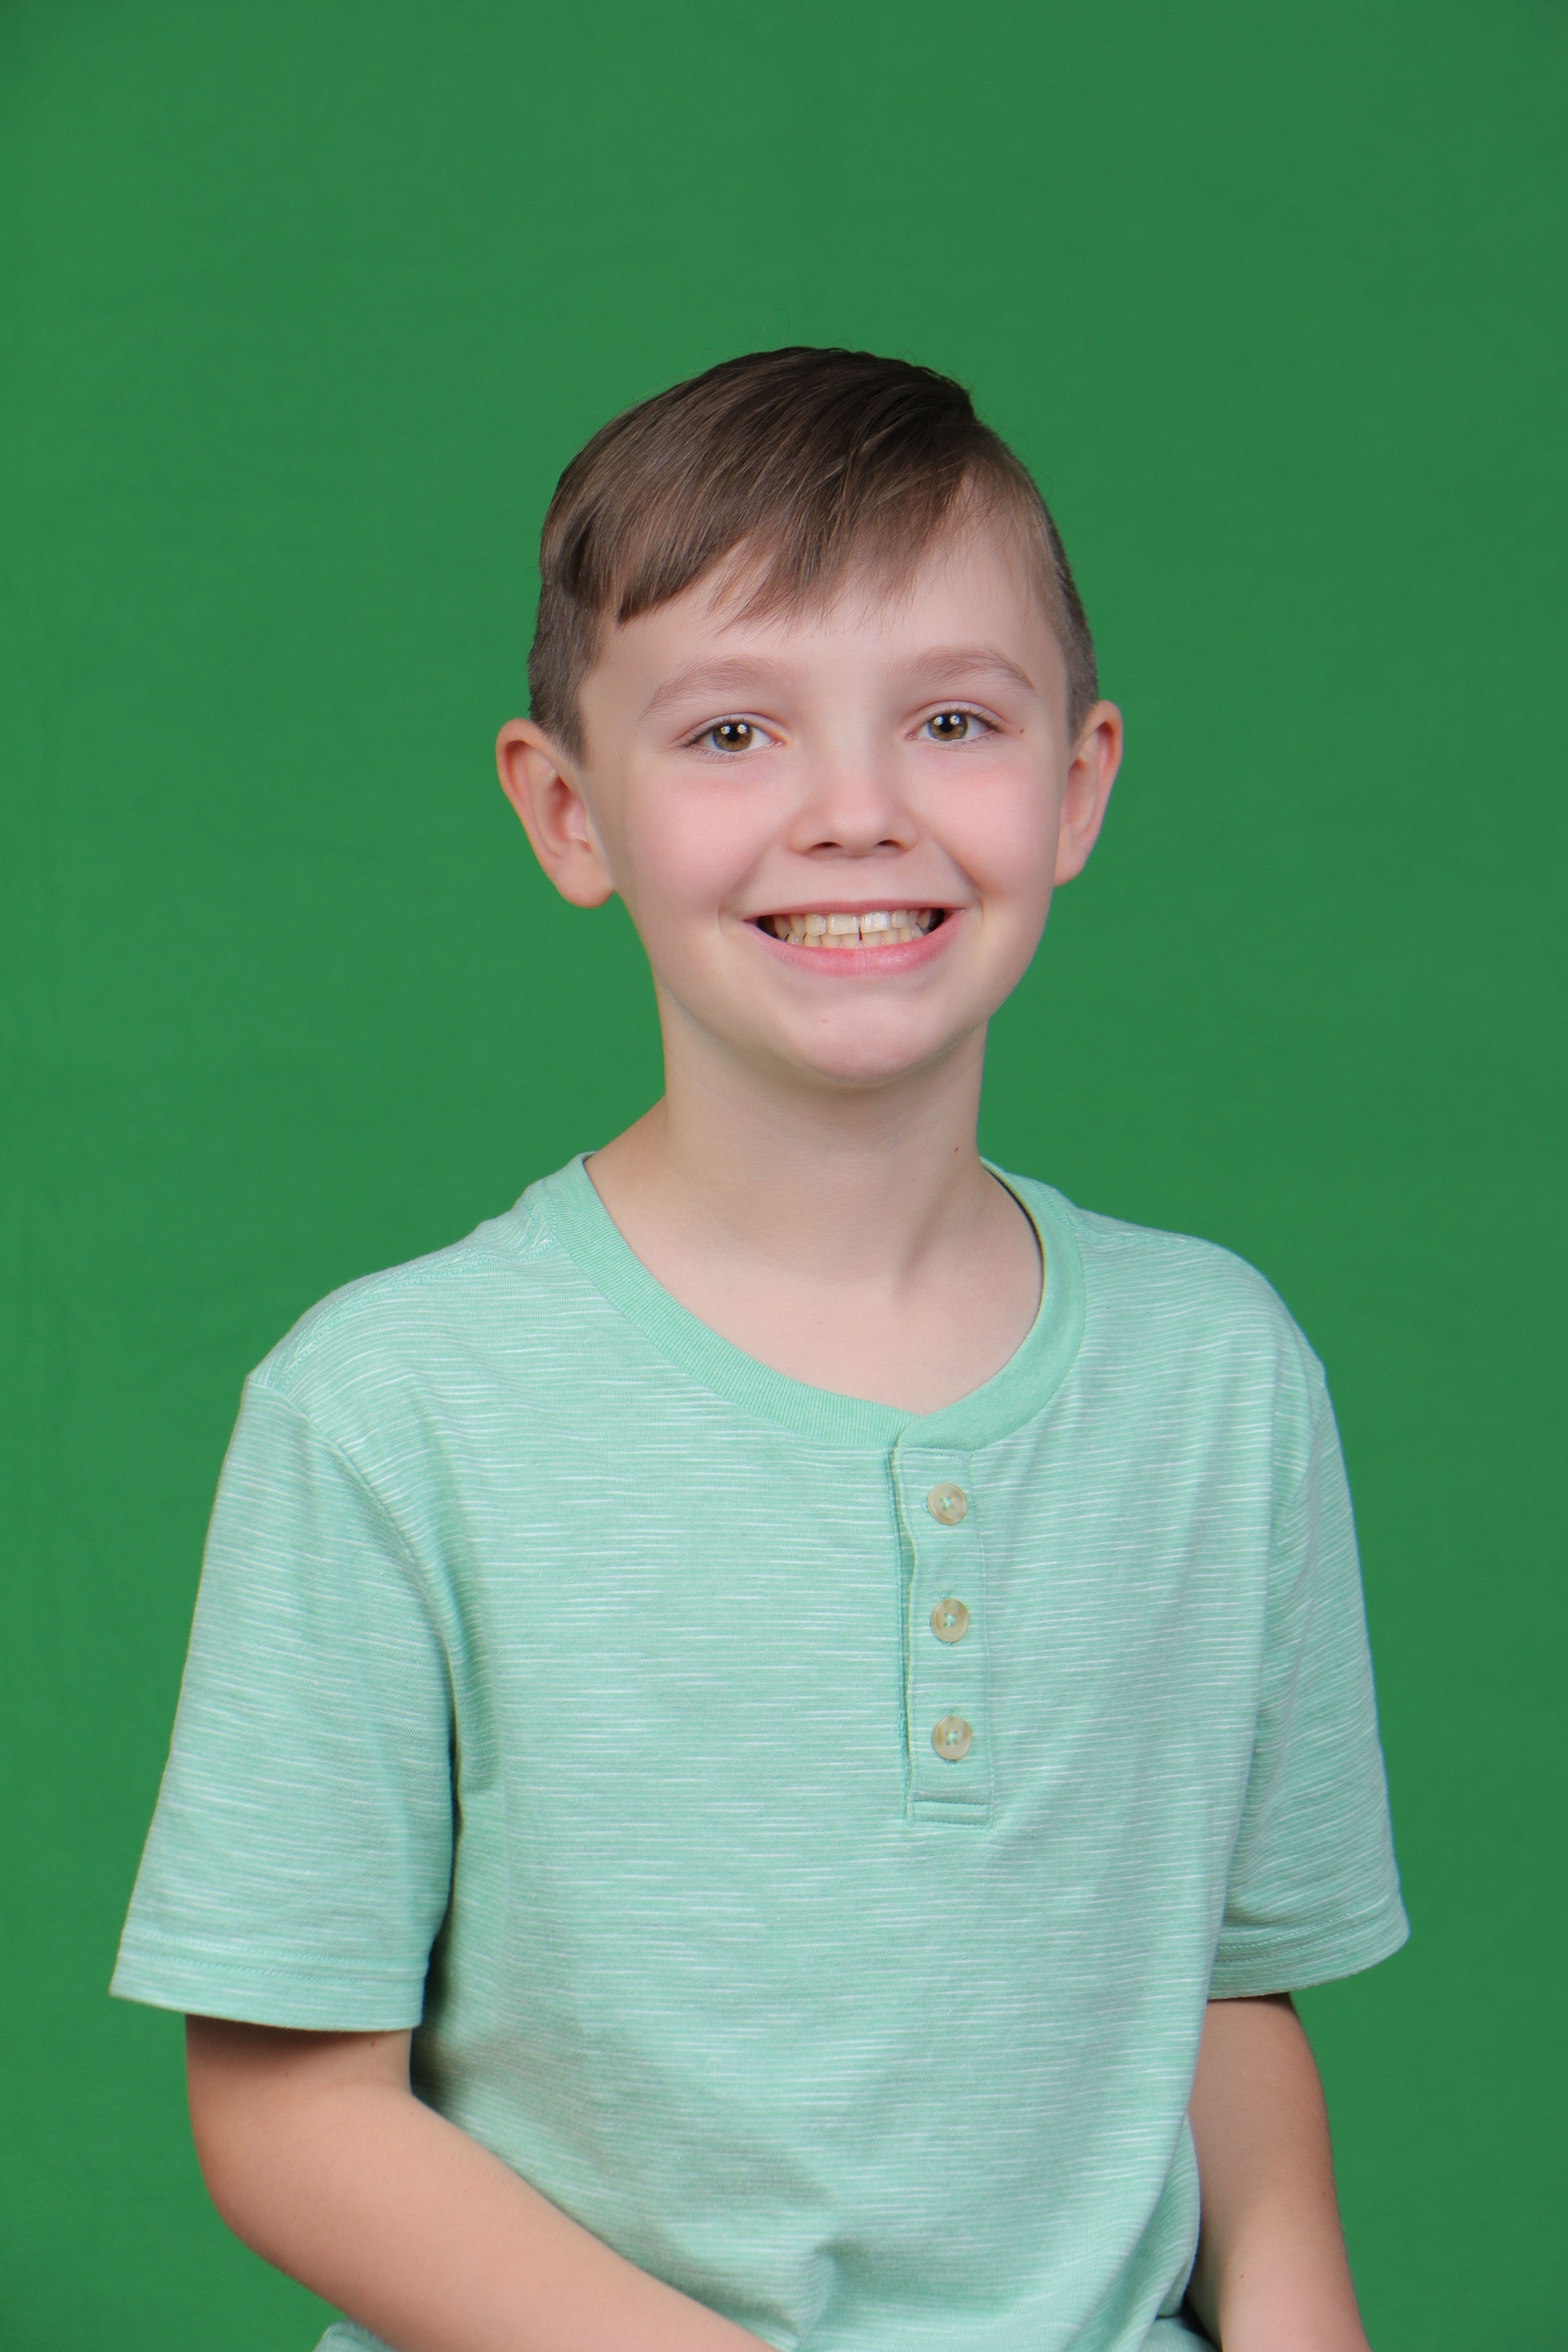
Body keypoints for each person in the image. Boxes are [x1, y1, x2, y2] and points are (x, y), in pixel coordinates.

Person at [112, 347, 1407, 2352]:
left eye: (953, 721)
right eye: (733, 731)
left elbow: (1223, 1995)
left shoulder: (1221, 1380)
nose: (857, 814)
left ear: (1077, 784)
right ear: (570, 811)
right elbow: (291, 2117)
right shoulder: (391, 1410)